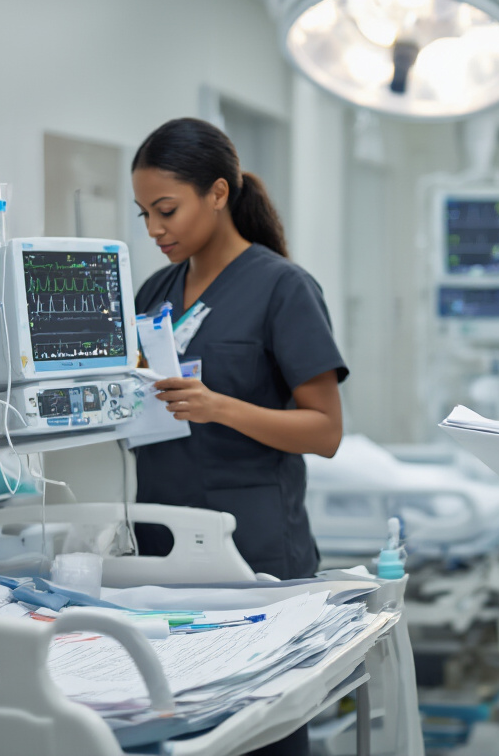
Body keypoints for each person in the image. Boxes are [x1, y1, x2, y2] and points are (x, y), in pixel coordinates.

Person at [131, 118, 346, 755]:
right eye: (143, 214)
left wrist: (220, 407)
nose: (154, 230)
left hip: (254, 552)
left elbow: (326, 431)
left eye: (166, 210)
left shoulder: (283, 288)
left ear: (218, 194)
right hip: (161, 546)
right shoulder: (155, 294)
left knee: (261, 736)